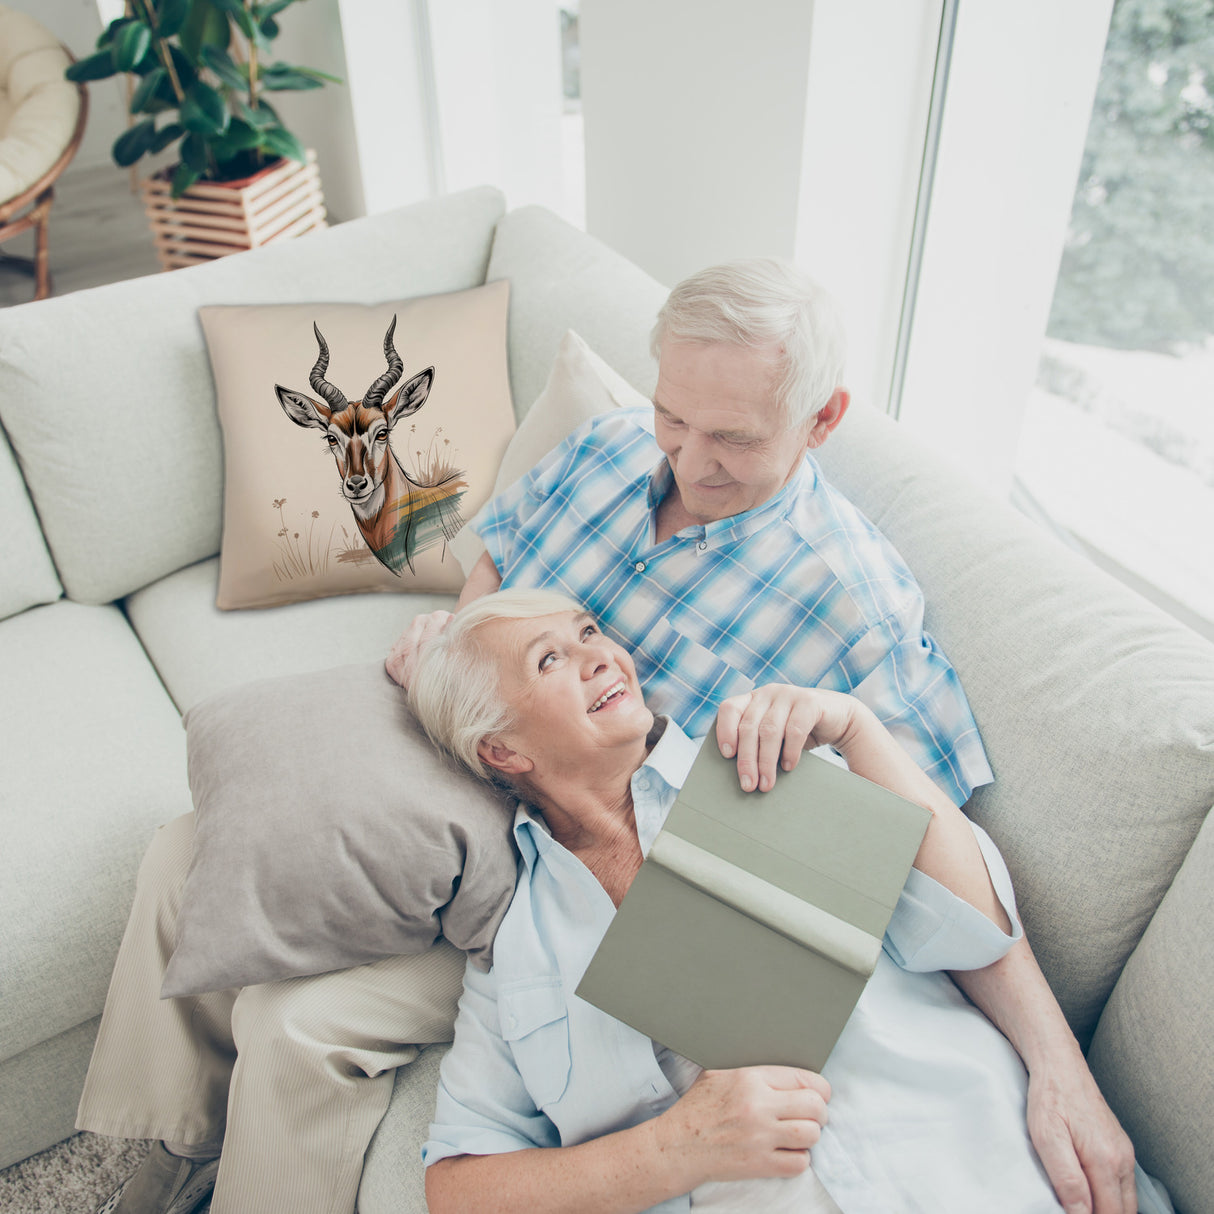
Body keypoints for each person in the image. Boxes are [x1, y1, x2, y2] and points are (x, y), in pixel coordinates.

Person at [79, 260, 1132, 1214]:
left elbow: (927, 856)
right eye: (675, 416)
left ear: (820, 420)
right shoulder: (608, 447)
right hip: (487, 746)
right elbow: (497, 564)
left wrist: (1058, 1064)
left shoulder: (854, 608)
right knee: (192, 847)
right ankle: (160, 1149)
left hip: (578, 852)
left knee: (300, 1023)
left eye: (732, 438)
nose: (687, 458)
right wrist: (458, 643)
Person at [407, 588, 1161, 1214]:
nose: (601, 654)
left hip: (985, 1168)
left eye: (589, 632)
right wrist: (674, 1149)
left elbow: (973, 929)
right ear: (502, 750)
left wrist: (859, 731)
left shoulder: (762, 761)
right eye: (551, 659)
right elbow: (458, 1188)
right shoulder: (516, 951)